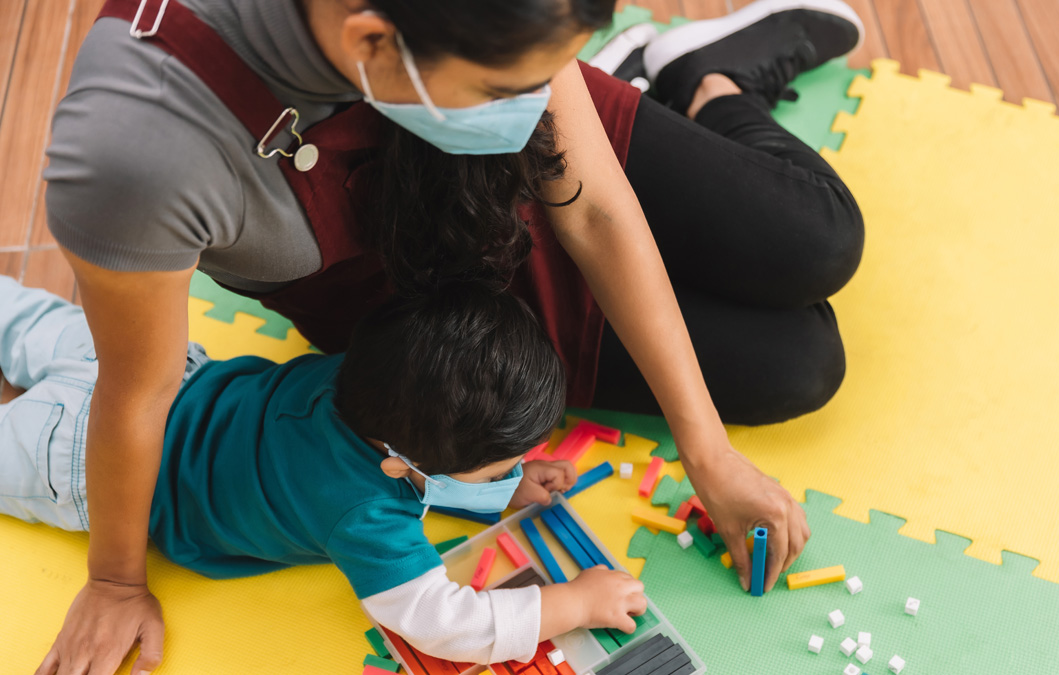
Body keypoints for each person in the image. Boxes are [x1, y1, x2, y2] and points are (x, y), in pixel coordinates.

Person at [39, 0, 863, 670]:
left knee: (822, 239)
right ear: (372, 41)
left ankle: (700, 80)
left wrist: (706, 449)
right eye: (520, 85)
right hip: (442, 327)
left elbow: (595, 208)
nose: (543, 97)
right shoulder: (136, 155)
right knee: (804, 363)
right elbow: (138, 384)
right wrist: (114, 578)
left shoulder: (505, 63)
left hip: (493, 166)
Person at [0, 275, 648, 666]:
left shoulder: (370, 369)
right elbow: (447, 623)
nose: (514, 474)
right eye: (502, 467)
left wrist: (504, 488)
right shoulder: (365, 513)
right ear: (398, 463)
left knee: (21, 315)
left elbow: (441, 452)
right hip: (83, 461)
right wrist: (574, 601)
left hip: (151, 367)